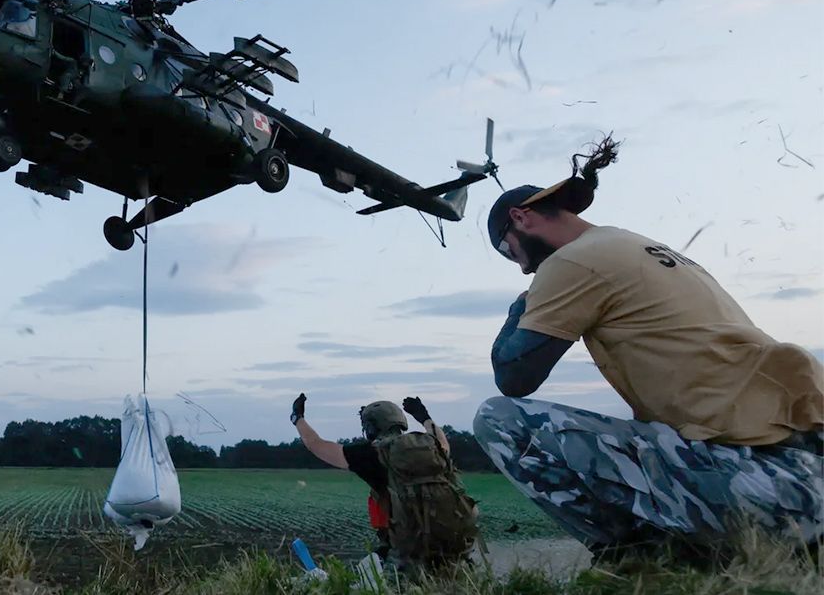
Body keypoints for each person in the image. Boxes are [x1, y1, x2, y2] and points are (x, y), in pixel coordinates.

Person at [475, 135, 824, 562]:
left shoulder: (569, 262)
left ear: (520, 218)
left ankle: (637, 560)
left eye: (506, 250)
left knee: (499, 421)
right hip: (803, 471)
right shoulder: (637, 245)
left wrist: (520, 307)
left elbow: (514, 378)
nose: (521, 265)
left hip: (769, 491)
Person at [292, 394, 453, 565]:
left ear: (370, 428)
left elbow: (316, 444)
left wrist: (297, 418)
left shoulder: (369, 454)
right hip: (452, 541)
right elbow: (443, 443)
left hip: (406, 550)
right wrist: (424, 417)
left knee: (368, 572)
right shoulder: (430, 447)